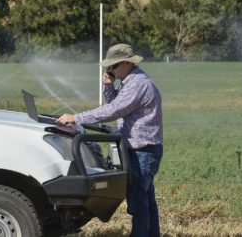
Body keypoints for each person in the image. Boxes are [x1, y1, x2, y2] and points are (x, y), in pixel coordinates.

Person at [57, 43, 163, 237]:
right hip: (143, 148)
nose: (110, 70)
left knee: (139, 204)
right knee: (146, 201)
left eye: (112, 67)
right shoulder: (131, 81)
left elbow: (113, 111)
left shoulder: (138, 84)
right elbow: (117, 104)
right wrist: (108, 86)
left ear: (125, 63)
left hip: (142, 151)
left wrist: (76, 118)